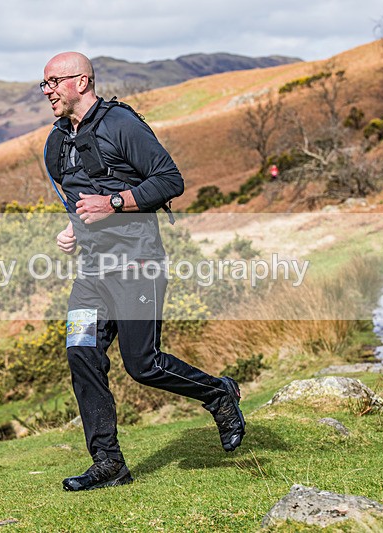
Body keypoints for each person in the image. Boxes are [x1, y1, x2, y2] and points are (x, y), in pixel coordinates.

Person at [41, 52, 246, 492]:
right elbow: (78, 202)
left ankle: (218, 394)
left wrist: (114, 204)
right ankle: (109, 463)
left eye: (53, 82)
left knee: (143, 364)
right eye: (44, 85)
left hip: (137, 263)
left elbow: (170, 180)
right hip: (91, 273)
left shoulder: (122, 125)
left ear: (81, 80)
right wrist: (71, 229)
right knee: (81, 353)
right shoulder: (55, 143)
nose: (48, 91)